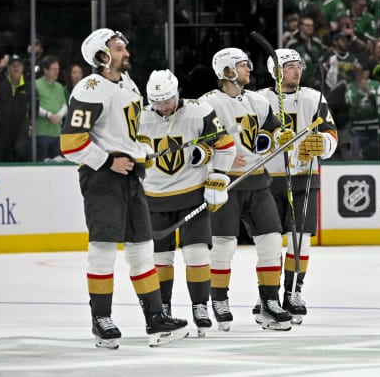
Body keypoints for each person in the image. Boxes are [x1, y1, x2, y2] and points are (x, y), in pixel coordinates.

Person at [60, 28, 188, 349]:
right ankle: (100, 319)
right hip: (103, 178)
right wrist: (107, 161)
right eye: (118, 48)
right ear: (103, 58)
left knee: (142, 248)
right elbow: (70, 143)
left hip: (130, 176)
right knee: (102, 248)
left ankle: (155, 318)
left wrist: (141, 153)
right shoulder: (90, 88)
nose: (126, 51)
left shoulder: (128, 84)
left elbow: (131, 131)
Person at [199, 47, 295, 331]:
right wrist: (220, 157)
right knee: (223, 245)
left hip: (257, 180)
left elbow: (271, 128)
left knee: (271, 240)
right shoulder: (207, 104)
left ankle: (269, 301)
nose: (249, 70)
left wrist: (282, 135)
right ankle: (218, 299)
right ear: (227, 71)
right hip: (224, 182)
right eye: (243, 66)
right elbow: (199, 143)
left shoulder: (257, 100)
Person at [138, 69, 237, 337]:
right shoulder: (139, 117)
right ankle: (164, 308)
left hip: (192, 194)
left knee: (197, 255)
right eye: (157, 102)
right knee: (160, 259)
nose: (164, 107)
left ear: (177, 92)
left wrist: (217, 176)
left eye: (168, 100)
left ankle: (200, 306)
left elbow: (226, 145)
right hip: (153, 198)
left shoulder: (199, 111)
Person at [257, 48, 338, 324]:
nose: (296, 70)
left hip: (305, 176)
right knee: (268, 242)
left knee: (299, 240)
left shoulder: (314, 98)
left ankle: (294, 291)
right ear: (275, 71)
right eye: (289, 66)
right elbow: (254, 138)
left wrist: (323, 144)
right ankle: (268, 294)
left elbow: (330, 133)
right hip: (268, 180)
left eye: (298, 65)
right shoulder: (260, 100)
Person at [0, 54, 29, 162]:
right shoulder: (2, 85)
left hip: (21, 130)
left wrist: (29, 125)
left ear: (22, 68)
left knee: (20, 152)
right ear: (8, 68)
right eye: (13, 65)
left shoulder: (28, 86)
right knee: (0, 155)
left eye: (18, 65)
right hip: (3, 130)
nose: (16, 68)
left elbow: (34, 108)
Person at [34, 55, 67, 161]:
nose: (57, 72)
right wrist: (49, 115)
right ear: (45, 70)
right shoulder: (36, 85)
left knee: (57, 163)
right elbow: (34, 106)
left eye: (58, 69)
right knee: (41, 164)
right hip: (41, 133)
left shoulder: (59, 86)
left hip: (56, 132)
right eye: (54, 69)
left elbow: (64, 105)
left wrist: (59, 116)